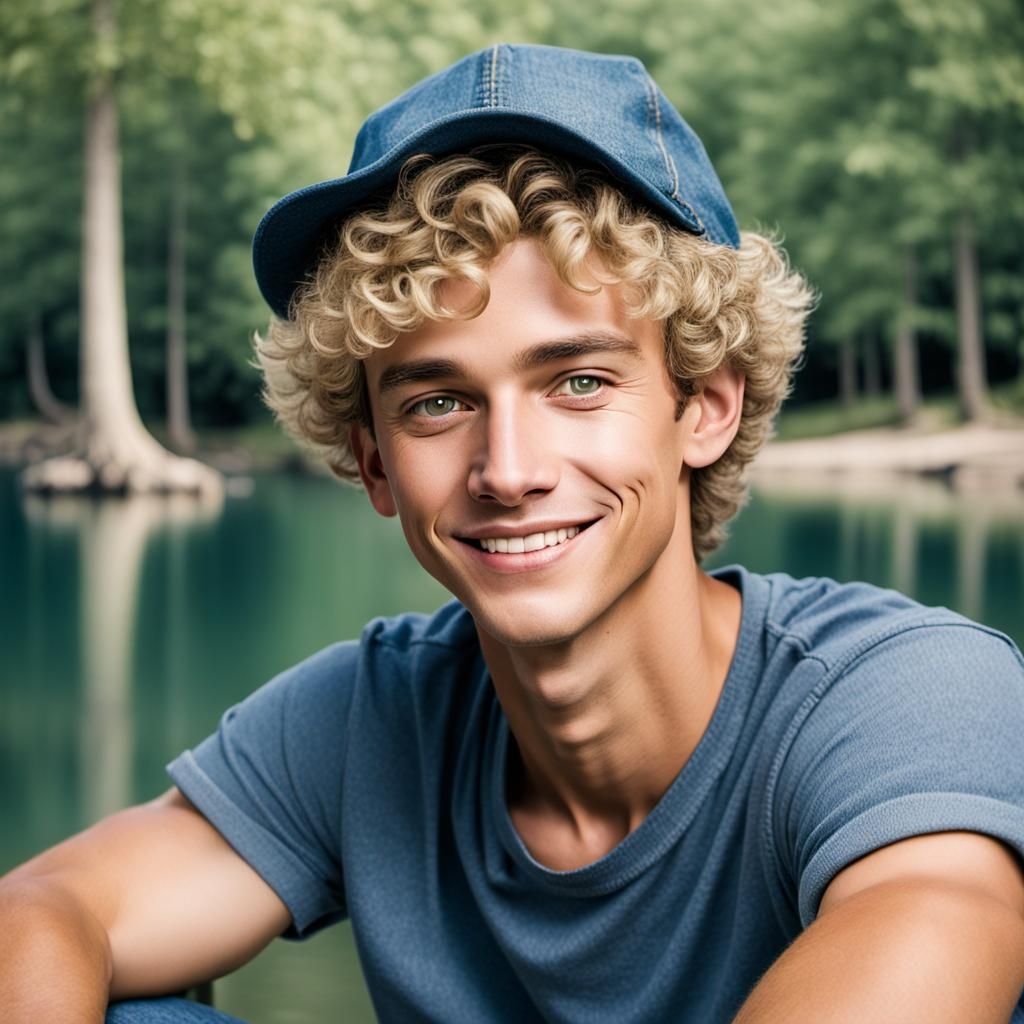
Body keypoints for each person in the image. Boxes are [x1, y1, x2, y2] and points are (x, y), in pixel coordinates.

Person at [3, 43, 1024, 1024]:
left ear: (703, 407)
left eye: (578, 382)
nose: (510, 469)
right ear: (371, 461)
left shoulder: (910, 698)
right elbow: (46, 909)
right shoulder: (375, 717)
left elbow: (933, 917)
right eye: (437, 403)